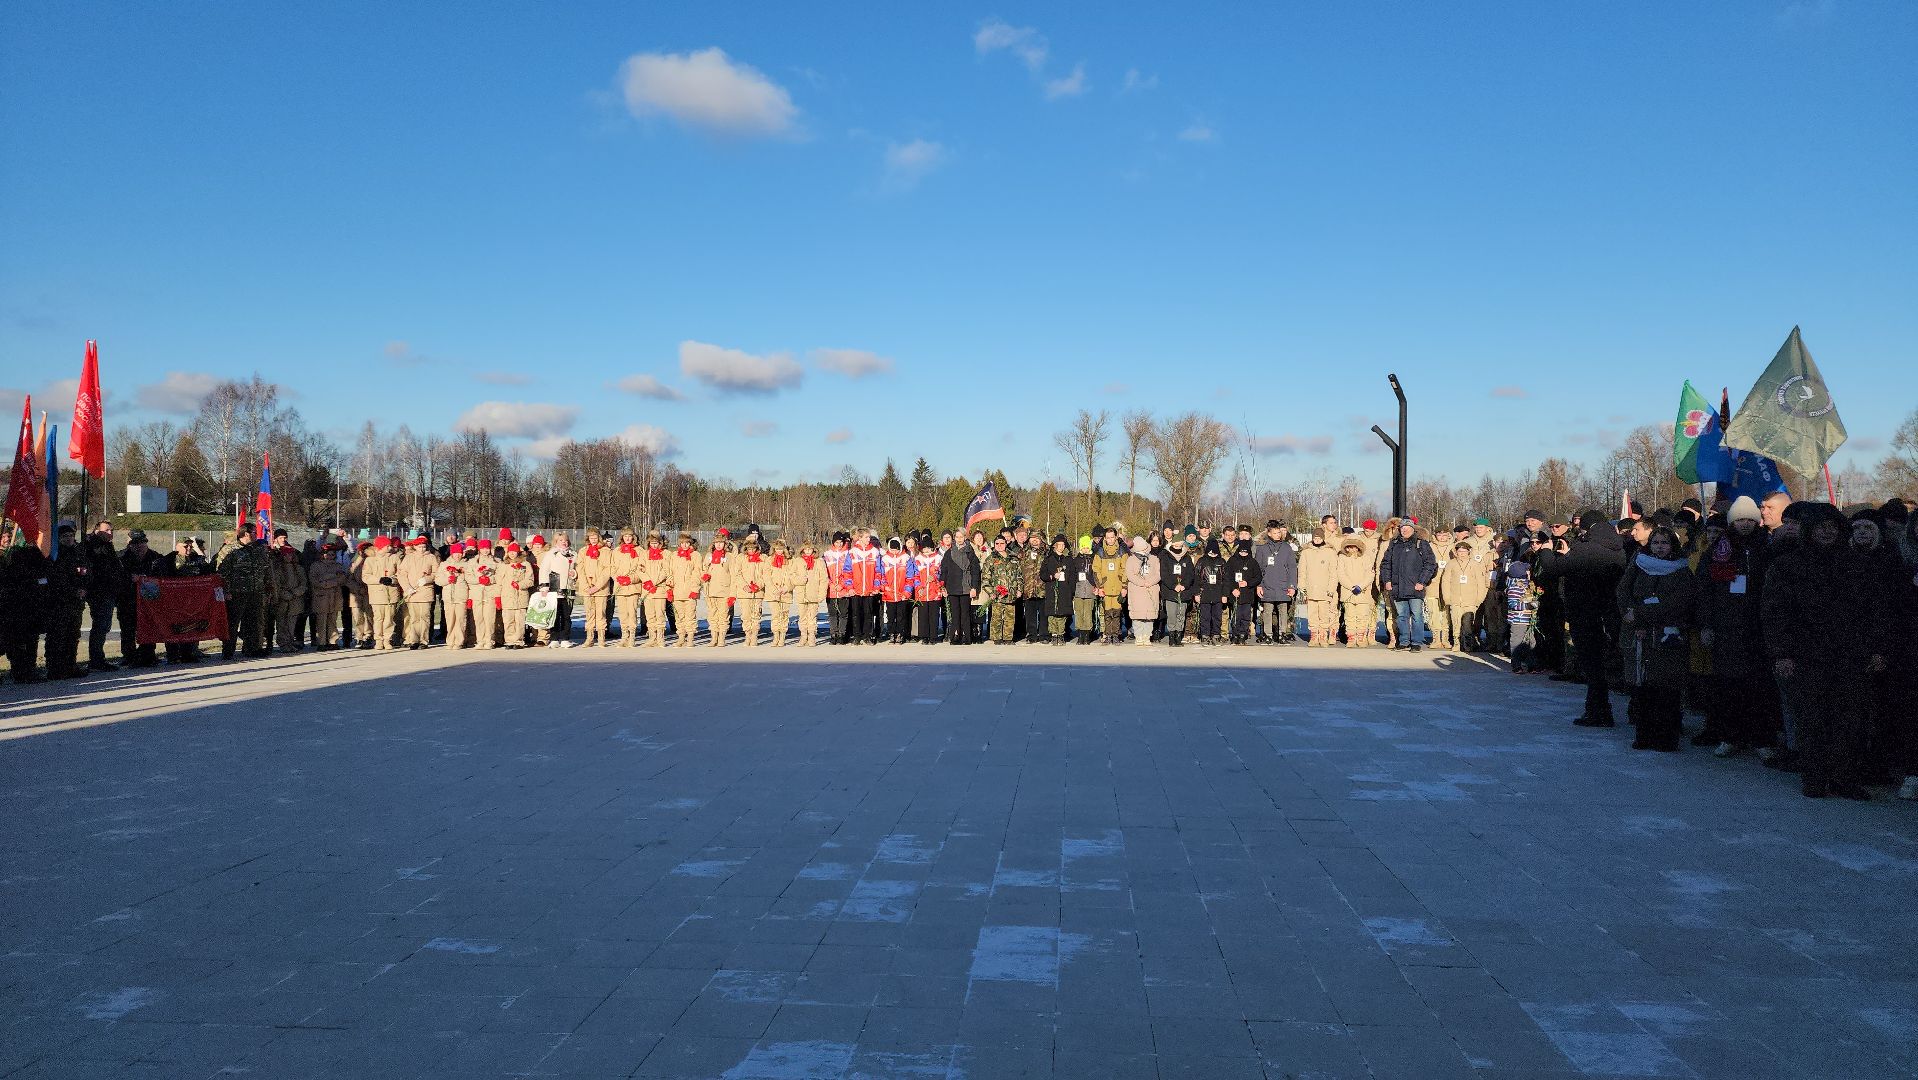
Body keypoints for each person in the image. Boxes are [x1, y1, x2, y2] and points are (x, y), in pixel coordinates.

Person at [1763, 501, 1889, 799]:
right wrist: (1781, 653)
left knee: (1849, 720)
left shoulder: (1858, 564)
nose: (1827, 533)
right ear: (1810, 530)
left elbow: (1877, 611)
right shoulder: (1787, 565)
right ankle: (1815, 776)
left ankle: (1844, 777)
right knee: (1812, 718)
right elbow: (1775, 612)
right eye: (1821, 527)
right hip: (1806, 654)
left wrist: (1878, 649)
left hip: (1850, 654)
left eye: (1833, 527)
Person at [1539, 508, 1627, 726]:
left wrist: (1547, 551)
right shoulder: (1619, 548)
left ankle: (1599, 711)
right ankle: (1605, 710)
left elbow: (1552, 570)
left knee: (1592, 664)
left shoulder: (1586, 549)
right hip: (1610, 613)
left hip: (1585, 613)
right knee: (1606, 663)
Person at [1616, 526, 1698, 752]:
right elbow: (1624, 592)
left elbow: (1678, 603)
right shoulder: (1640, 565)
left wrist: (1642, 613)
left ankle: (1666, 737)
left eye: (1664, 543)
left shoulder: (1681, 571)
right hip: (1640, 636)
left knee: (1667, 690)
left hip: (1668, 638)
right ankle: (1644, 735)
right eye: (1656, 543)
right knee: (1643, 689)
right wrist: (1634, 618)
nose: (1660, 547)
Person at [1379, 518, 1437, 654]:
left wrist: (1422, 582)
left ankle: (1416, 642)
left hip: (1416, 587)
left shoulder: (1421, 544)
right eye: (1402, 528)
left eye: (1407, 527)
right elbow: (1386, 564)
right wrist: (1387, 580)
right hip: (1397, 587)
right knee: (1401, 616)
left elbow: (1430, 564)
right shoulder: (1393, 544)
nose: (1404, 529)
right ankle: (1404, 641)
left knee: (1417, 615)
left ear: (1413, 529)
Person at [217, 524, 271, 659]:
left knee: (254, 621)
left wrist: (268, 586)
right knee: (233, 622)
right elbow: (222, 572)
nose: (256, 535)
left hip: (256, 591)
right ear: (246, 534)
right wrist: (226, 591)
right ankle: (228, 650)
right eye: (254, 532)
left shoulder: (258, 549)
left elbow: (266, 569)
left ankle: (252, 648)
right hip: (237, 593)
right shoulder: (230, 550)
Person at [82, 524, 127, 672]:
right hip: (99, 591)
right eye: (106, 530)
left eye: (111, 530)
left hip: (109, 590)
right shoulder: (92, 545)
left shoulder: (107, 546)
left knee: (104, 625)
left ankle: (98, 659)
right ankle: (96, 660)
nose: (110, 532)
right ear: (97, 531)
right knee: (100, 625)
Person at [116, 528, 163, 668]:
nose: (139, 546)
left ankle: (148, 655)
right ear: (129, 544)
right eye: (135, 543)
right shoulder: (121, 558)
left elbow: (162, 577)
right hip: (127, 599)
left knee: (148, 627)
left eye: (142, 542)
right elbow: (116, 577)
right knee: (127, 629)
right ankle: (129, 656)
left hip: (149, 601)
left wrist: (143, 579)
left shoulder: (155, 557)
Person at [161, 536, 212, 663]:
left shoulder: (196, 559)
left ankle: (189, 654)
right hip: (175, 601)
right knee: (174, 627)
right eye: (186, 546)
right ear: (177, 546)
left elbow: (209, 571)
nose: (188, 548)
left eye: (190, 546)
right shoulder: (168, 560)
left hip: (193, 601)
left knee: (191, 626)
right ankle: (173, 655)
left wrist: (199, 553)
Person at [1437, 540, 1489, 652]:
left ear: (1468, 552)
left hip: (1471, 600)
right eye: (1460, 551)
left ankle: (1468, 644)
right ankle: (1456, 642)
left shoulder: (1475, 564)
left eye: (1464, 551)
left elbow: (1481, 583)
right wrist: (1446, 597)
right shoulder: (1451, 564)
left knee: (1468, 623)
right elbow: (1445, 581)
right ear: (1456, 552)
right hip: (1455, 599)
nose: (1462, 553)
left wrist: (1479, 599)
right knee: (1456, 622)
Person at [1254, 521, 1298, 645]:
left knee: (1283, 611)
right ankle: (1268, 635)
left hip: (1283, 585)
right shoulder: (1262, 548)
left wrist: (1292, 586)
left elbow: (1292, 568)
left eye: (1279, 532)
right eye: (1275, 533)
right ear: (1269, 533)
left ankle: (1282, 634)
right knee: (1267, 611)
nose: (1278, 535)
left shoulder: (1286, 547)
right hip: (1267, 585)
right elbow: (1258, 569)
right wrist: (1259, 585)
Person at [1335, 534, 1376, 648]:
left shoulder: (1366, 558)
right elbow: (1340, 574)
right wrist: (1351, 586)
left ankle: (1361, 637)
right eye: (1349, 547)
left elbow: (1370, 574)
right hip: (1348, 591)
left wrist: (1360, 586)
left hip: (1362, 592)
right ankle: (1351, 638)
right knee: (1350, 616)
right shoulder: (1342, 558)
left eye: (1354, 547)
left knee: (1362, 616)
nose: (1351, 549)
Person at [270, 540, 311, 652]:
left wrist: (295, 593)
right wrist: (284, 594)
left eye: (290, 555)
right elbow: (276, 585)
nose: (288, 557)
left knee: (291, 623)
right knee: (281, 623)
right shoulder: (277, 569)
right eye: (286, 555)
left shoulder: (299, 569)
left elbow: (304, 584)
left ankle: (290, 642)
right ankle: (283, 643)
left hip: (295, 600)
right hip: (282, 600)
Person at [666, 531, 702, 648]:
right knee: (679, 615)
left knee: (690, 615)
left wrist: (695, 589)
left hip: (689, 591)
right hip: (677, 591)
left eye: (687, 543)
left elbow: (697, 573)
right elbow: (670, 572)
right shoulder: (674, 555)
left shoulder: (695, 555)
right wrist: (669, 588)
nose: (685, 545)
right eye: (682, 543)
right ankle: (681, 637)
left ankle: (690, 637)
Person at [984, 533, 1022, 644]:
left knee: (1010, 617)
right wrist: (991, 592)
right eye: (997, 543)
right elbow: (986, 578)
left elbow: (1019, 575)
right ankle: (997, 638)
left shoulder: (1013, 558)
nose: (999, 545)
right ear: (994, 545)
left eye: (1002, 543)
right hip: (997, 593)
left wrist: (1019, 589)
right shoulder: (991, 559)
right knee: (996, 617)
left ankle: (1008, 638)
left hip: (1011, 592)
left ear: (1006, 544)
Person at [1124, 535, 1161, 646]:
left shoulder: (1154, 559)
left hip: (1151, 590)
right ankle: (1139, 636)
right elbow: (1130, 574)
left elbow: (1158, 573)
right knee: (1137, 616)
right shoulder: (1131, 559)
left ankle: (1147, 636)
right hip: (1137, 591)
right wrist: (1142, 583)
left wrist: (1150, 582)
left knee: (1149, 617)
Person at [1090, 531, 1127, 644]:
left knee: (1116, 613)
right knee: (1106, 614)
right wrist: (1100, 586)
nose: (1110, 540)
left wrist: (1124, 586)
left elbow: (1125, 569)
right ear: (1105, 539)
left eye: (1112, 537)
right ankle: (1107, 635)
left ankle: (1115, 635)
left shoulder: (1122, 552)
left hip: (1117, 587)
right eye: (1108, 538)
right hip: (1105, 588)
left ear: (1116, 538)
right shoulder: (1100, 552)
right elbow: (1096, 570)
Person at [734, 537, 770, 646]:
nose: (751, 550)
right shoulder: (740, 558)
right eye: (749, 548)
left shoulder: (763, 558)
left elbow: (766, 574)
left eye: (753, 548)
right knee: (745, 615)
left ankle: (754, 636)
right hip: (744, 592)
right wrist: (744, 585)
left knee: (756, 615)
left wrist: (758, 585)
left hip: (758, 592)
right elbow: (737, 573)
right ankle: (747, 635)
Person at [1160, 532, 1193, 647]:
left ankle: (1178, 636)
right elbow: (1164, 575)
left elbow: (1190, 574)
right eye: (1176, 546)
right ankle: (1172, 636)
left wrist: (1184, 585)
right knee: (1172, 614)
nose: (1178, 548)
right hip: (1170, 592)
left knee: (1181, 614)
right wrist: (1174, 585)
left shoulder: (1187, 558)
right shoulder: (1166, 557)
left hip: (1183, 591)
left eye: (1180, 546)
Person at [912, 537, 944, 645]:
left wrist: (935, 577)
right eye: (924, 548)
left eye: (928, 548)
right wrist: (918, 588)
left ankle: (933, 636)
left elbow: (942, 573)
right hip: (923, 591)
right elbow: (915, 575)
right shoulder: (917, 559)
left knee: (933, 615)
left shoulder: (938, 558)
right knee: (923, 615)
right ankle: (924, 636)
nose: (926, 550)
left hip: (934, 591)